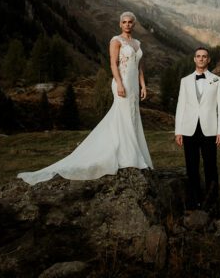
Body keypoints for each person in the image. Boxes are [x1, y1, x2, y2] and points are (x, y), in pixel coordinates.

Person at [17, 12, 153, 185]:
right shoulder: (116, 41)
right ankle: (127, 156)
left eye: (130, 22)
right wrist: (119, 83)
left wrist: (143, 85)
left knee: (133, 116)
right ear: (120, 24)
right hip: (123, 82)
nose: (127, 24)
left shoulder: (137, 43)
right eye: (124, 22)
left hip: (134, 84)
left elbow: (140, 66)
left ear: (134, 24)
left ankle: (133, 152)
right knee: (124, 115)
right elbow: (113, 64)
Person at [174, 47, 220, 213]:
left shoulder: (217, 80)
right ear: (194, 59)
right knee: (191, 167)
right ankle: (195, 202)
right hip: (188, 130)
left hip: (210, 130)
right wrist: (178, 131)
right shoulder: (185, 81)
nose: (201, 59)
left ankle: (212, 202)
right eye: (198, 56)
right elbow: (180, 106)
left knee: (211, 166)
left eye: (204, 56)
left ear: (209, 59)